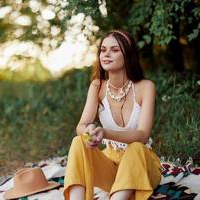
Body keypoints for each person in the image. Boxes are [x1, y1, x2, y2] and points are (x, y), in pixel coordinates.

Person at [63, 30, 162, 200]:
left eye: (114, 50)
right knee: (78, 141)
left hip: (142, 167)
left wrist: (106, 133)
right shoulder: (97, 86)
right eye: (103, 50)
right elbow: (81, 126)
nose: (106, 54)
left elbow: (142, 135)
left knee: (136, 147)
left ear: (128, 56)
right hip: (111, 168)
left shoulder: (146, 87)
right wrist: (89, 133)